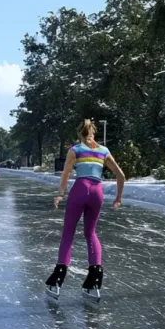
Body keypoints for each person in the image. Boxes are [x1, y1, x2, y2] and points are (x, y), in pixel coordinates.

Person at [45, 119, 125, 299]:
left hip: (79, 190)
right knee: (91, 234)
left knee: (68, 234)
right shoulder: (104, 151)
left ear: (79, 134)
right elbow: (121, 175)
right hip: (97, 192)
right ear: (93, 133)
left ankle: (57, 280)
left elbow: (66, 173)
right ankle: (94, 280)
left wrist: (60, 194)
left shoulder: (75, 150)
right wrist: (118, 198)